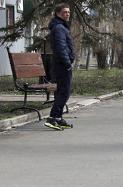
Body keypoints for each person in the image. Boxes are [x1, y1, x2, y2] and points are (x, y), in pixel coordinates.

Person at [45, 3, 75, 131]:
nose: (67, 14)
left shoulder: (61, 27)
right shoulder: (59, 28)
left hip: (61, 65)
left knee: (61, 92)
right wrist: (68, 63)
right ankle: (53, 117)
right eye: (64, 12)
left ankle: (58, 118)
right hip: (62, 65)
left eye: (68, 12)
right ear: (57, 13)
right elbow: (61, 48)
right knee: (64, 92)